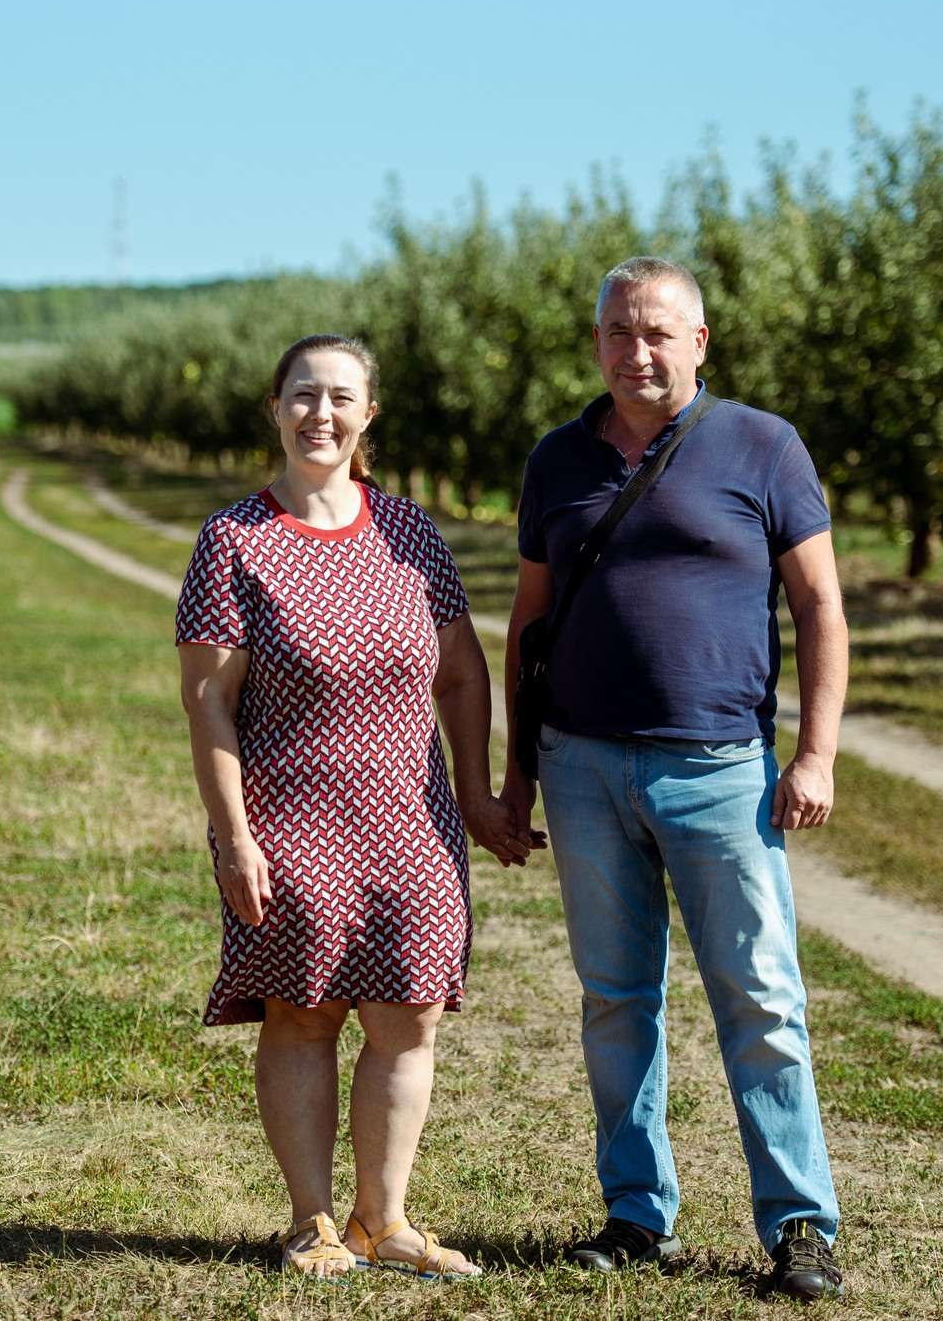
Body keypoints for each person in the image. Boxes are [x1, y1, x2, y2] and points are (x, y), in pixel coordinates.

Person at [498, 258, 849, 1301]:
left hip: (720, 771)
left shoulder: (763, 444)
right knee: (614, 1000)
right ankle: (634, 1210)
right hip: (581, 764)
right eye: (616, 330)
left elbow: (821, 608)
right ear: (596, 341)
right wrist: (515, 775)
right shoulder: (556, 459)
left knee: (760, 998)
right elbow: (527, 625)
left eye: (656, 331)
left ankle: (798, 1225)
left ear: (699, 340)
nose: (635, 350)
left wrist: (815, 753)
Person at [177, 334, 535, 1279]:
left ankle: (388, 1221)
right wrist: (232, 836)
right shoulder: (233, 540)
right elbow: (208, 700)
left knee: (410, 1018)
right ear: (274, 407)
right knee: (303, 1014)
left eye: (340, 397)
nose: (320, 414)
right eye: (302, 396)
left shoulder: (410, 532)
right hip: (291, 822)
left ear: (369, 414)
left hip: (410, 824)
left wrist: (473, 792)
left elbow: (460, 673)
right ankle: (312, 1221)